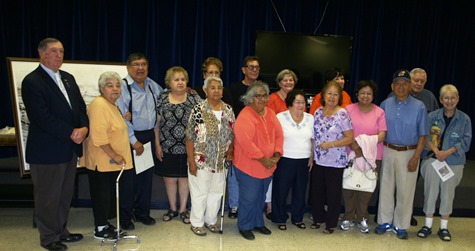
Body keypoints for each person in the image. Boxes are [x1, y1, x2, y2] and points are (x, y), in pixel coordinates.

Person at [21, 38, 89, 251]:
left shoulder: (67, 78)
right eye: (53, 51)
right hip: (47, 151)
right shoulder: (32, 81)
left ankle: (61, 231)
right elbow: (41, 117)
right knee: (48, 197)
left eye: (61, 51)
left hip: (68, 149)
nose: (59, 55)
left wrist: (84, 129)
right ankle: (49, 237)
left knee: (63, 194)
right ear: (42, 54)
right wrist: (72, 132)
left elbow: (80, 108)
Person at [375, 70, 428, 240]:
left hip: (409, 152)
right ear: (392, 86)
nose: (401, 86)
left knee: (406, 191)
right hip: (388, 150)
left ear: (410, 85)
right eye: (397, 83)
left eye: (405, 83)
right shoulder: (385, 104)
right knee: (386, 188)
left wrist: (416, 157)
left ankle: (401, 225)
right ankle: (384, 222)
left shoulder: (419, 106)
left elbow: (423, 134)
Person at [417, 84, 472, 241]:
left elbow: (466, 141)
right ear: (441, 99)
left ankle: (443, 228)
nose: (449, 101)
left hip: (453, 162)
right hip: (432, 160)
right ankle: (427, 225)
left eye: (453, 97)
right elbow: (424, 137)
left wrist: (447, 152)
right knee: (430, 192)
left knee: (448, 194)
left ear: (458, 99)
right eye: (446, 98)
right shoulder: (432, 116)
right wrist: (436, 151)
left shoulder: (464, 119)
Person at [115, 53, 163, 230]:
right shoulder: (123, 86)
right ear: (128, 68)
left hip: (148, 136)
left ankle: (142, 213)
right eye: (136, 64)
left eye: (143, 64)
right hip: (130, 138)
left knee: (145, 179)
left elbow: (166, 96)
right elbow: (121, 117)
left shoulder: (151, 85)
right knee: (129, 180)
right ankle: (126, 218)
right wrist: (134, 141)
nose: (140, 68)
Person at [82, 71, 133, 239]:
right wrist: (115, 155)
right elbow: (99, 137)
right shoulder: (99, 104)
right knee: (102, 195)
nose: (115, 89)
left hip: (111, 163)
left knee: (108, 196)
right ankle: (100, 229)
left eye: (118, 85)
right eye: (110, 85)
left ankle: (104, 224)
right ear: (101, 88)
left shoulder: (112, 105)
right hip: (102, 161)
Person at [388, 67, 438, 226]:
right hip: (391, 149)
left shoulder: (427, 99)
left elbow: (433, 125)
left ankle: (403, 219)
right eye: (416, 80)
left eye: (421, 81)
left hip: (416, 150)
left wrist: (420, 153)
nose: (418, 83)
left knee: (408, 187)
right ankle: (386, 218)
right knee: (389, 187)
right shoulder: (390, 99)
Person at [233, 81, 284, 240]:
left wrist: (277, 154)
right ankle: (245, 226)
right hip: (248, 166)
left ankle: (257, 223)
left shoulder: (270, 113)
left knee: (261, 197)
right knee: (249, 198)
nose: (262, 99)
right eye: (258, 96)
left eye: (264, 96)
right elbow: (246, 142)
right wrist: (263, 159)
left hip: (268, 166)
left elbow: (279, 135)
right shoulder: (245, 115)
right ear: (249, 99)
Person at [185, 76, 235, 236]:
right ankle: (197, 223)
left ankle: (210, 221)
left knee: (217, 192)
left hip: (220, 161)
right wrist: (191, 161)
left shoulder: (228, 110)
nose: (216, 91)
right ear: (205, 90)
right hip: (201, 160)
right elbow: (189, 137)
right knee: (200, 192)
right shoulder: (198, 109)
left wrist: (231, 150)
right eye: (212, 88)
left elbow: (233, 134)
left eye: (219, 88)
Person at [154, 66, 202, 224]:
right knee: (169, 179)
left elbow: (202, 124)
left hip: (189, 148)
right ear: (169, 82)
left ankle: (183, 209)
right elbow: (156, 124)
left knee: (184, 179)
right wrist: (157, 145)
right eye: (176, 79)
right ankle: (172, 208)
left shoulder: (195, 99)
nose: (180, 82)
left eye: (183, 79)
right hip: (167, 146)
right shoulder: (161, 98)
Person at [340, 80, 387, 233]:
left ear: (373, 96)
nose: (365, 96)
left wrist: (364, 144)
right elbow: (343, 131)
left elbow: (382, 135)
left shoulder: (379, 112)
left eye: (369, 93)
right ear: (357, 94)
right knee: (349, 187)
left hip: (372, 156)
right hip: (350, 154)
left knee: (367, 188)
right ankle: (348, 217)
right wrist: (355, 146)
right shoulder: (348, 110)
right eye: (362, 93)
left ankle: (362, 218)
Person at [310, 81, 354, 234]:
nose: (332, 97)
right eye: (329, 93)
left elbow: (350, 138)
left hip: (335, 161)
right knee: (317, 192)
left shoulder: (342, 114)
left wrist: (331, 144)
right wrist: (311, 157)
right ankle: (318, 219)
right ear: (323, 95)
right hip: (318, 160)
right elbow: (313, 137)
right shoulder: (317, 112)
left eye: (336, 94)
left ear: (340, 97)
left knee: (333, 194)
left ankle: (331, 223)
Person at [272, 89, 314, 230]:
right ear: (290, 103)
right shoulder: (280, 117)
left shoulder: (310, 118)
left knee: (300, 191)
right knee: (281, 190)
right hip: (285, 160)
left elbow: (313, 140)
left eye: (303, 102)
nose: (301, 105)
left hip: (303, 160)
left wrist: (312, 157)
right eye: (297, 102)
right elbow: (274, 138)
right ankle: (280, 218)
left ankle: (297, 218)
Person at [264, 69, 301, 219]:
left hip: (293, 147)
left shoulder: (298, 98)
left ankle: (283, 207)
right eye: (285, 80)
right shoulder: (272, 99)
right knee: (272, 176)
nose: (288, 82)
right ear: (279, 82)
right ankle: (270, 206)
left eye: (291, 80)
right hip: (275, 144)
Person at [227, 56, 261, 219]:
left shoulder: (262, 89)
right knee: (236, 171)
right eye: (251, 67)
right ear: (244, 70)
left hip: (258, 138)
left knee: (254, 172)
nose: (254, 70)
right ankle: (234, 206)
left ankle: (251, 206)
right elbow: (230, 114)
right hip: (238, 136)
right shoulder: (233, 89)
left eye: (257, 67)